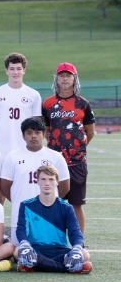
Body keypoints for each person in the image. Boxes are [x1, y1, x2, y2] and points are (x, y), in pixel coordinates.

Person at [42, 62, 96, 235]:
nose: (65, 79)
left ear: (74, 79)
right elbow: (46, 131)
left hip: (76, 162)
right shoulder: (48, 104)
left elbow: (90, 131)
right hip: (54, 163)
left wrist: (78, 148)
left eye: (68, 75)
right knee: (52, 202)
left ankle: (78, 243)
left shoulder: (83, 104)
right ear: (56, 79)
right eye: (61, 75)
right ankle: (53, 240)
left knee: (76, 203)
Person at [0, 117, 70, 245]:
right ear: (23, 136)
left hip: (49, 215)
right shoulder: (12, 156)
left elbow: (64, 186)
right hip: (20, 214)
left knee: (49, 250)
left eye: (37, 132)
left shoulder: (56, 157)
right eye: (29, 133)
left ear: (44, 135)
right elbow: (5, 187)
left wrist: (49, 201)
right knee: (20, 252)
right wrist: (18, 200)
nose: (33, 136)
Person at [15, 165, 92, 274]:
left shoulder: (66, 207)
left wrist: (76, 247)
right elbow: (21, 229)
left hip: (59, 249)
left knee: (84, 254)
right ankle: (66, 267)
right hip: (36, 250)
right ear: (37, 181)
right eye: (43, 179)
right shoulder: (26, 205)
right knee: (17, 251)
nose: (47, 183)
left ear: (57, 182)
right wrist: (24, 243)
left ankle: (35, 265)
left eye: (51, 179)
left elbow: (75, 232)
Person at [0, 53, 42, 158]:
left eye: (18, 69)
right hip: (1, 149)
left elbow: (36, 125)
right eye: (12, 69)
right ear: (6, 71)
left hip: (25, 148)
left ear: (24, 70)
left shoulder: (33, 95)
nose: (15, 72)